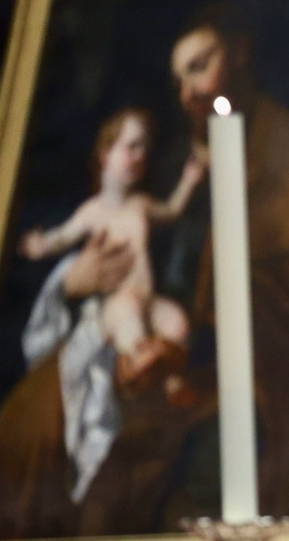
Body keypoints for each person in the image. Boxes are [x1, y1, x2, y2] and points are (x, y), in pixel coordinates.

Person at [0, 2, 289, 538]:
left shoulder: (277, 146)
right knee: (29, 416)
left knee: (188, 439)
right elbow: (87, 247)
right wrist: (73, 280)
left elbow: (286, 285)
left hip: (228, 358)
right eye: (179, 79)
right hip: (132, 334)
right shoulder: (172, 158)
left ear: (240, 53)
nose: (190, 92)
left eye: (201, 66)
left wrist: (193, 338)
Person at [17, 107, 202, 388]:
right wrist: (41, 246)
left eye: (143, 149)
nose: (139, 156)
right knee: (130, 324)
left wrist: (188, 181)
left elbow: (172, 211)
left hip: (147, 299)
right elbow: (64, 236)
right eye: (131, 146)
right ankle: (140, 374)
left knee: (177, 324)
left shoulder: (140, 204)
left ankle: (172, 383)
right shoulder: (93, 211)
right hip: (118, 304)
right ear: (105, 154)